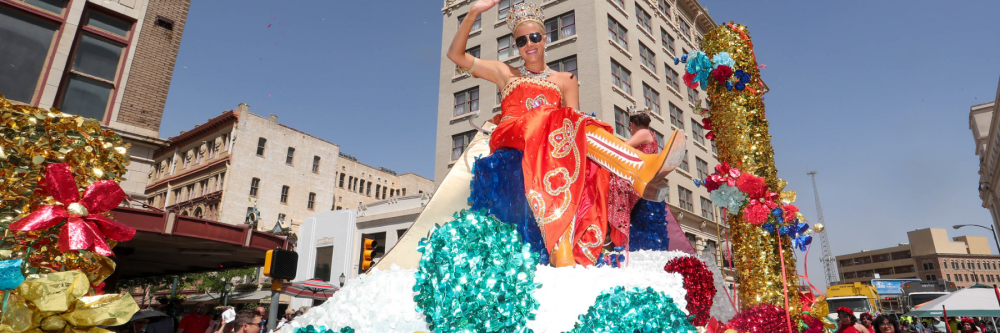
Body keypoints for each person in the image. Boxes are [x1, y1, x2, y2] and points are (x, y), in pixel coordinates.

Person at [447, 0, 687, 267]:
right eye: (521, 40)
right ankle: (636, 167)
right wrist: (473, 12)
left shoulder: (566, 80)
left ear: (545, 37)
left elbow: (576, 126)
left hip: (552, 143)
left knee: (574, 143)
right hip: (515, 134)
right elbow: (456, 56)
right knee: (552, 119)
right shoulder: (505, 73)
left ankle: (563, 251)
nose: (529, 44)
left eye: (534, 36)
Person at [606, 110, 660, 249]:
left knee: (609, 180)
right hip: (641, 178)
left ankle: (613, 230)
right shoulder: (652, 136)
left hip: (635, 179)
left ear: (631, 125)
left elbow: (622, 148)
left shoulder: (643, 133)